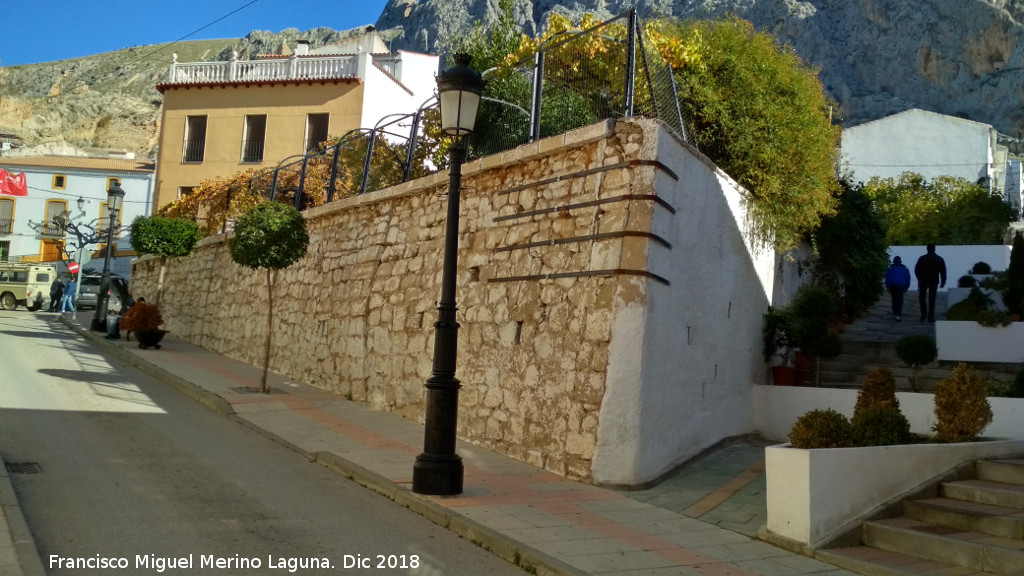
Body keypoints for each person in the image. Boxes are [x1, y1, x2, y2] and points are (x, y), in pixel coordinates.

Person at [915, 244, 947, 322]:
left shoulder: (922, 258)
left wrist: (920, 278)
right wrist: (943, 282)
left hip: (923, 280)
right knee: (932, 299)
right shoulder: (939, 259)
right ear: (934, 249)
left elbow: (916, 270)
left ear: (927, 249)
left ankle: (923, 315)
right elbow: (943, 272)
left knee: (922, 298)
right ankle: (930, 317)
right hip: (934, 281)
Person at [884, 256, 911, 321]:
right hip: (901, 286)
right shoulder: (905, 269)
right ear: (900, 262)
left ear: (894, 262)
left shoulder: (890, 269)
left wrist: (887, 286)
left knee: (894, 299)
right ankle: (898, 314)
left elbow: (887, 278)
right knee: (900, 300)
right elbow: (908, 278)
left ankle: (895, 312)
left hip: (892, 285)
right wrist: (906, 287)